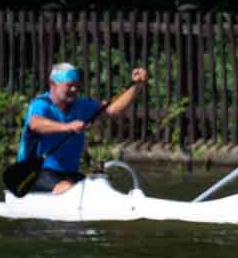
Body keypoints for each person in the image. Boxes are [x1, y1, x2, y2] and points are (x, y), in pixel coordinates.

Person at [17, 62, 149, 194]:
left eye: (76, 86)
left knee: (97, 187)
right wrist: (67, 126)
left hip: (69, 174)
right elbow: (35, 124)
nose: (74, 89)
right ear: (53, 84)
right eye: (69, 85)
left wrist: (136, 86)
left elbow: (113, 109)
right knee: (68, 188)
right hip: (33, 174)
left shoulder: (81, 105)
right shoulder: (41, 104)